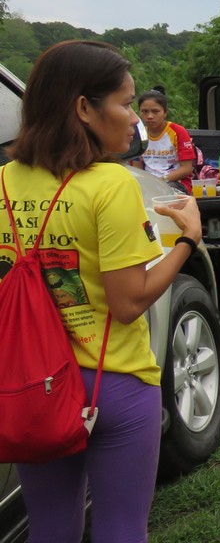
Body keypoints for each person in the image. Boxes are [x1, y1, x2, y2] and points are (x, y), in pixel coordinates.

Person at [7, 40, 203, 542]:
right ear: (83, 108)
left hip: (32, 384)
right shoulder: (110, 183)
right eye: (124, 103)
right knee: (121, 528)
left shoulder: (4, 183)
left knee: (49, 529)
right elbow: (129, 301)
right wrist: (187, 241)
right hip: (110, 383)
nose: (134, 118)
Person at [132, 89, 197, 193]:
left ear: (165, 112)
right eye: (144, 111)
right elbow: (137, 168)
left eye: (155, 111)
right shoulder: (139, 134)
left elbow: (186, 168)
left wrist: (161, 181)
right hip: (149, 183)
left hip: (175, 182)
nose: (149, 116)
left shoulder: (178, 132)